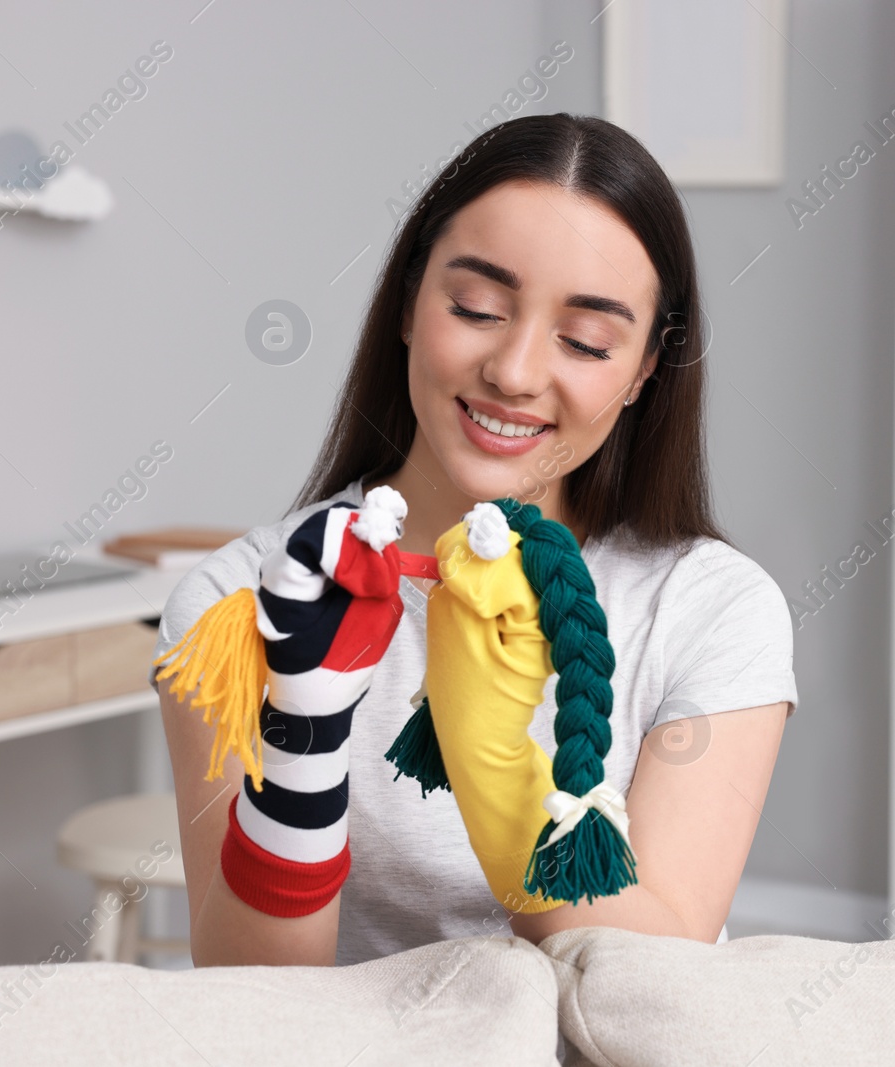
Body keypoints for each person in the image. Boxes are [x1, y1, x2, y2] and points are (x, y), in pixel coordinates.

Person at [154, 112, 797, 968]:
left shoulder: (713, 605)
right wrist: (302, 736)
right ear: (411, 304)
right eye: (478, 307)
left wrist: (493, 762)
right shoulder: (243, 605)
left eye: (587, 340)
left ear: (645, 368)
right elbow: (253, 997)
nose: (518, 372)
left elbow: (662, 969)